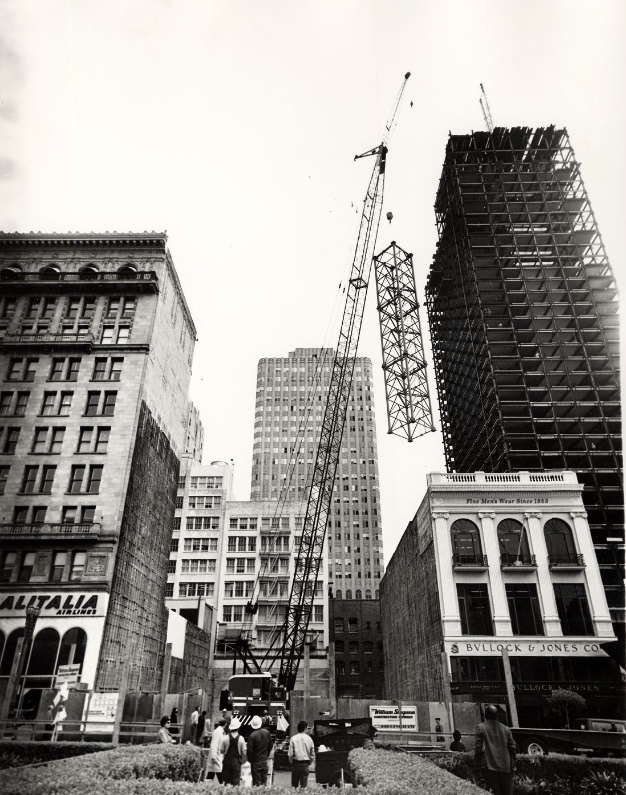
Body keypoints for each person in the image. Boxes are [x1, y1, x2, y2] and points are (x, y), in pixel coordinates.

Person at [474, 705, 516, 795]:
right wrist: (513, 764)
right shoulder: (506, 729)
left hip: (490, 767)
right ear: (497, 715)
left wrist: (477, 762)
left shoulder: (481, 727)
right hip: (506, 767)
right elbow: (513, 748)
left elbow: (478, 747)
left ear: (485, 715)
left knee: (494, 792)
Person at [247, 714, 273, 786]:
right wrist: (266, 755)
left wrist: (250, 760)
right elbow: (271, 745)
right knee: (264, 783)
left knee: (256, 783)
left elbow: (250, 751)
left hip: (255, 762)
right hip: (264, 761)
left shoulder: (252, 736)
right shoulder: (267, 733)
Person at [288, 720, 315, 788]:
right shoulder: (309, 739)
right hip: (305, 764)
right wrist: (310, 762)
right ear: (305, 728)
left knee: (294, 786)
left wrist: (292, 762)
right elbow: (312, 753)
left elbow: (290, 754)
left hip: (296, 764)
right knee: (303, 786)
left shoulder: (293, 739)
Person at [222, 717, 247, 786]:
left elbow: (221, 751)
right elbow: (244, 753)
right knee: (235, 784)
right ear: (238, 728)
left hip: (226, 763)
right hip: (236, 764)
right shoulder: (241, 739)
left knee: (226, 783)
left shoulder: (225, 738)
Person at [205, 718, 228, 783]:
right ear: (225, 724)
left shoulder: (220, 731)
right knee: (219, 771)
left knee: (212, 773)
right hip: (216, 756)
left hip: (218, 755)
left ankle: (206, 786)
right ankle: (224, 786)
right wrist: (213, 756)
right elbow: (214, 744)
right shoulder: (218, 732)